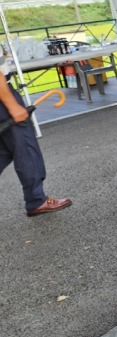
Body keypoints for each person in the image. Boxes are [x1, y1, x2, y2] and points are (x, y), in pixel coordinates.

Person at [0, 57, 72, 217]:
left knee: (4, 150)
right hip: (3, 96)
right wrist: (13, 106)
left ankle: (36, 199)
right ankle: (36, 200)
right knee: (25, 147)